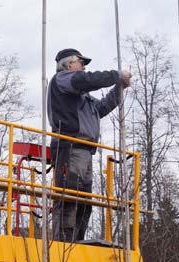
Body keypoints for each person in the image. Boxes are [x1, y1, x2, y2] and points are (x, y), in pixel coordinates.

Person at [47, 48, 131, 242]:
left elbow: (101, 108)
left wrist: (119, 88)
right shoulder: (62, 80)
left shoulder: (81, 97)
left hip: (85, 151)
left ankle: (77, 242)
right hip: (70, 147)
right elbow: (84, 80)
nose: (83, 67)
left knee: (84, 202)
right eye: (80, 62)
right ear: (68, 64)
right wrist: (116, 75)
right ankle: (63, 246)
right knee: (69, 198)